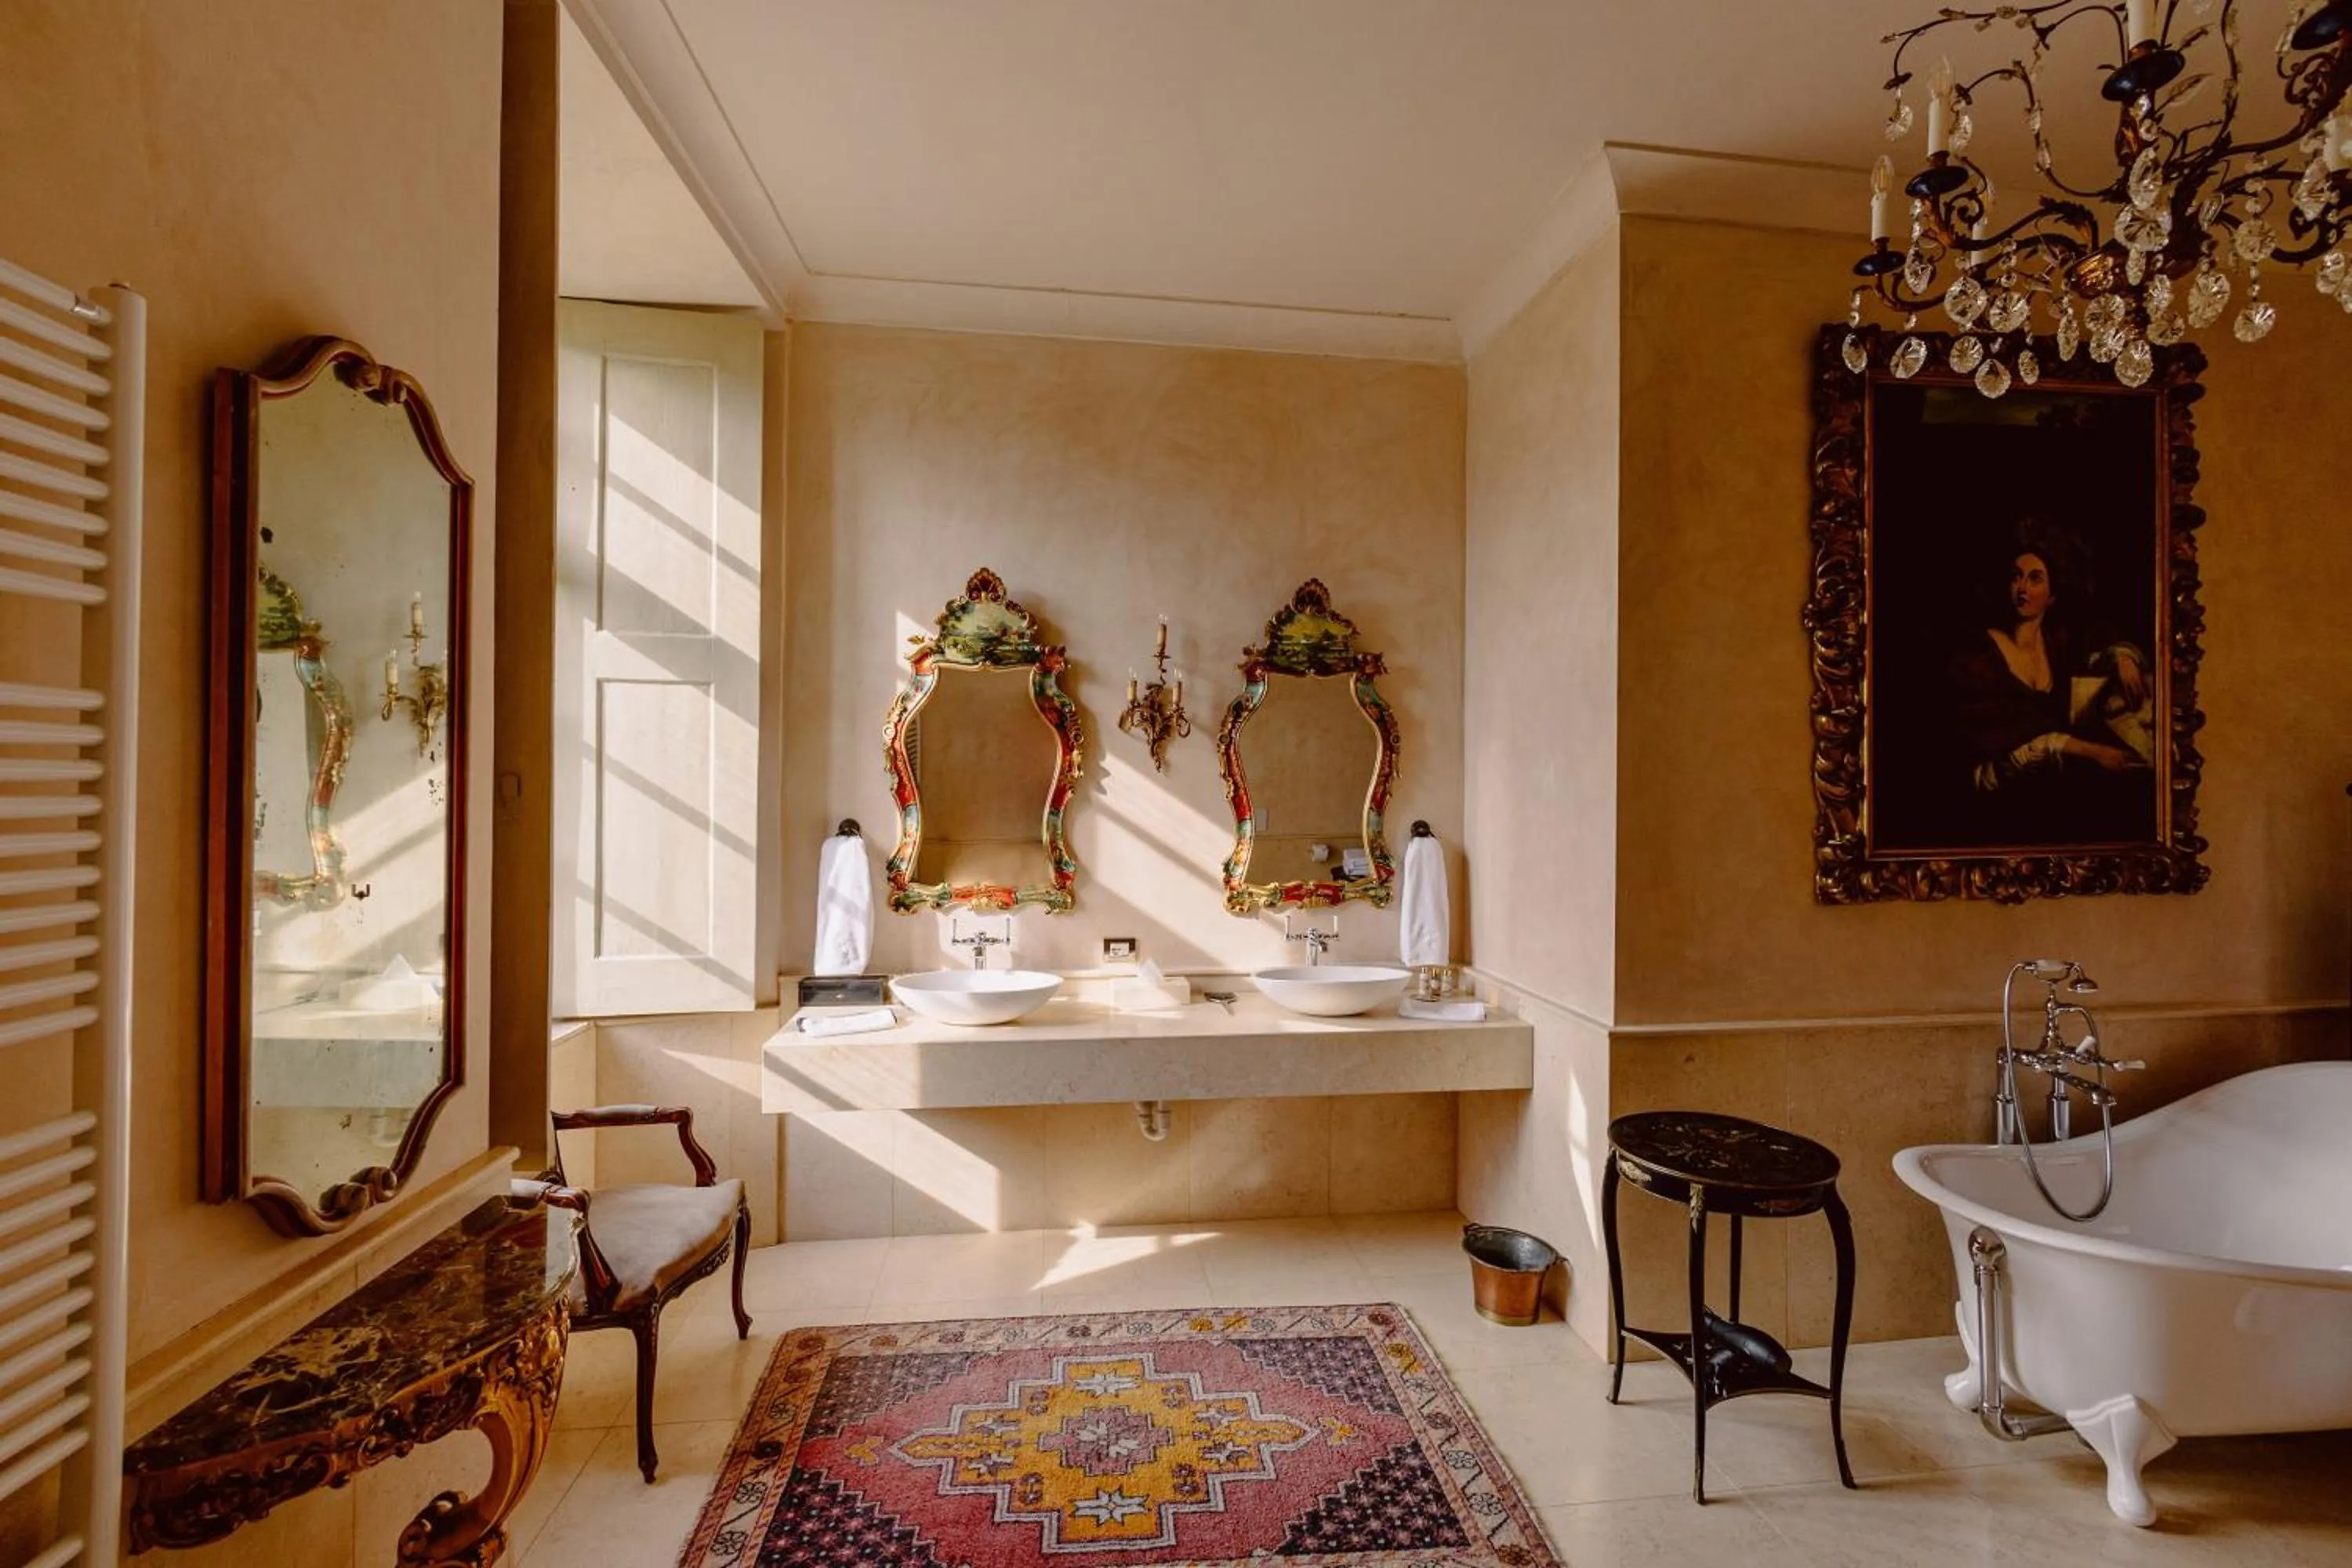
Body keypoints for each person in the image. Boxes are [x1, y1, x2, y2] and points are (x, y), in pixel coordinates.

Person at [1944, 521, 2153, 844]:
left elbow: (2102, 645)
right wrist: (2090, 750)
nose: (2022, 588)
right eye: (2016, 576)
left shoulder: (2059, 645)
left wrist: (2124, 658)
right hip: (1992, 807)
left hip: (2049, 800)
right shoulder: (1978, 655)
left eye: (2035, 578)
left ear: (2053, 595)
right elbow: (1997, 763)